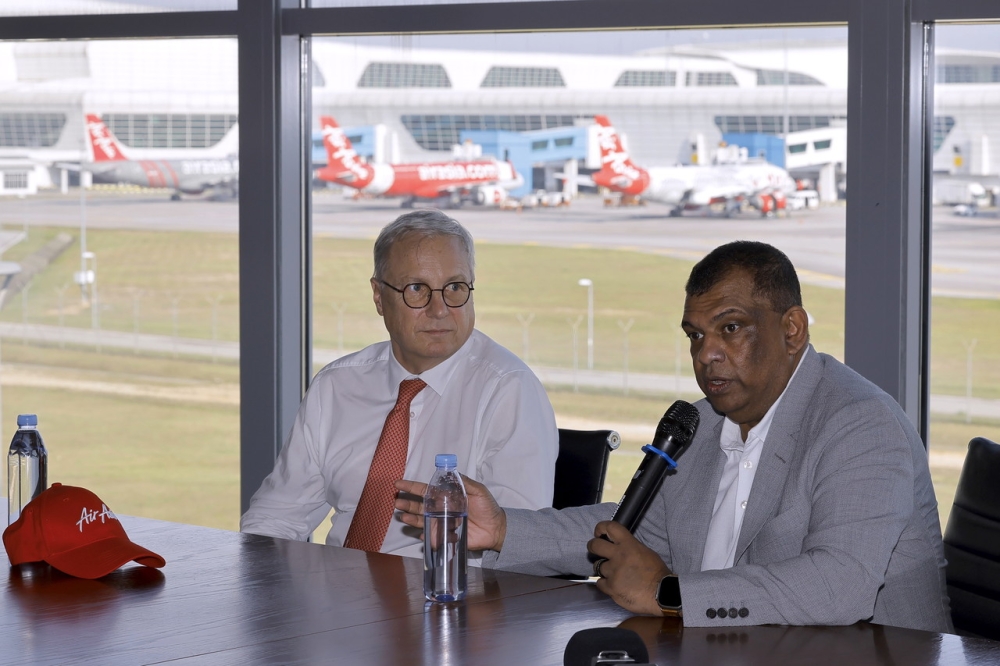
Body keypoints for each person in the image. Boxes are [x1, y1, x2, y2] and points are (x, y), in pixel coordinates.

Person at [396, 240, 952, 632]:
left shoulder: (859, 423)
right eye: (695, 335)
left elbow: (839, 586)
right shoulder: (702, 423)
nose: (707, 354)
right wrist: (503, 529)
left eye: (730, 328)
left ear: (792, 329)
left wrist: (668, 594)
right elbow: (637, 530)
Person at [242, 209, 558, 558]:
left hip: (447, 589)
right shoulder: (337, 386)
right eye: (417, 289)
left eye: (455, 287)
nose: (439, 309)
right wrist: (257, 579)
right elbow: (276, 517)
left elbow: (514, 549)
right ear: (379, 296)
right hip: (337, 586)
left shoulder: (508, 390)